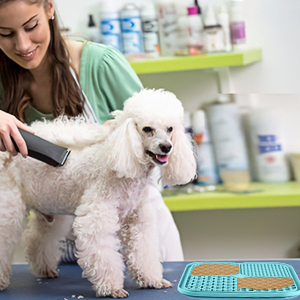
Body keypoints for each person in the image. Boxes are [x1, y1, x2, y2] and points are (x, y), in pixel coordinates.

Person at [0, 0, 184, 262]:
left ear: (49, 9)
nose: (22, 45)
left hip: (134, 228)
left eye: (31, 26)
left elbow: (156, 133)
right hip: (62, 239)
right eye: (5, 34)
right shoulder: (3, 83)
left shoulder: (101, 63)